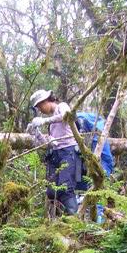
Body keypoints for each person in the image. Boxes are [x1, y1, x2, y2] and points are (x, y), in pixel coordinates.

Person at [26, 89, 81, 217]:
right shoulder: (51, 125)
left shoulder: (62, 107)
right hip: (55, 155)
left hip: (68, 151)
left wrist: (44, 121)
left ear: (45, 101)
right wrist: (36, 133)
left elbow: (66, 116)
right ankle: (60, 218)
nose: (40, 110)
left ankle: (73, 220)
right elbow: (48, 144)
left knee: (65, 188)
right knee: (51, 191)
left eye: (40, 106)